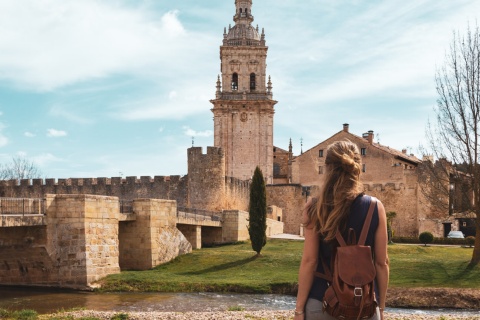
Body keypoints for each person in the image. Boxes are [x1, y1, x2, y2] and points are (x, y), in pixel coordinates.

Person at [294, 140, 389, 320]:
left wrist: (299, 310)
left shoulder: (314, 207)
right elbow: (381, 263)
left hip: (322, 303)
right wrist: (381, 307)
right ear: (357, 167)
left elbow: (309, 261)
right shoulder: (375, 208)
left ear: (327, 168)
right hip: (363, 305)